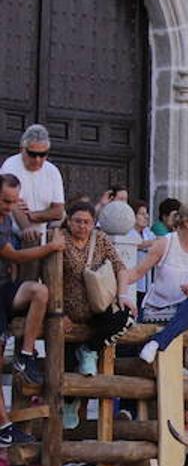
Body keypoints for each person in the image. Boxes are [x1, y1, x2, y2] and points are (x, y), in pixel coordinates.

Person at [0, 173, 60, 445]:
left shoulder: (10, 213)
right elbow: (13, 255)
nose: (8, 206)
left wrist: (26, 218)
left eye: (13, 201)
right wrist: (50, 247)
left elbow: (26, 225)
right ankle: (3, 426)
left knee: (40, 292)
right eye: (5, 200)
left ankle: (25, 355)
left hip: (5, 288)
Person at [128, 200, 188, 365]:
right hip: (159, 307)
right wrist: (117, 288)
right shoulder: (165, 243)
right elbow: (136, 272)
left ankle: (157, 342)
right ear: (187, 222)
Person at [60, 201, 136, 380]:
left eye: (87, 222)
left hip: (97, 306)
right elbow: (49, 278)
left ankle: (89, 349)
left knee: (126, 316)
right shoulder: (59, 239)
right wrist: (59, 312)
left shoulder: (100, 239)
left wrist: (123, 295)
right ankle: (69, 406)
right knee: (67, 367)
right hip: (69, 309)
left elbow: (120, 266)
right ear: (69, 221)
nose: (82, 226)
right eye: (78, 221)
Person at [0, 124, 65, 242]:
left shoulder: (52, 172)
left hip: (41, 236)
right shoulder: (10, 166)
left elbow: (58, 211)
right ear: (22, 149)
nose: (37, 159)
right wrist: (27, 228)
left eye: (42, 154)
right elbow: (13, 205)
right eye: (32, 154)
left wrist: (33, 215)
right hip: (10, 234)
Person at [130, 201, 154, 306]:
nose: (147, 217)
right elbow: (138, 244)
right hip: (132, 279)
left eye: (147, 213)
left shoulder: (148, 232)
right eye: (142, 214)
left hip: (146, 279)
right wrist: (151, 243)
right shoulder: (127, 232)